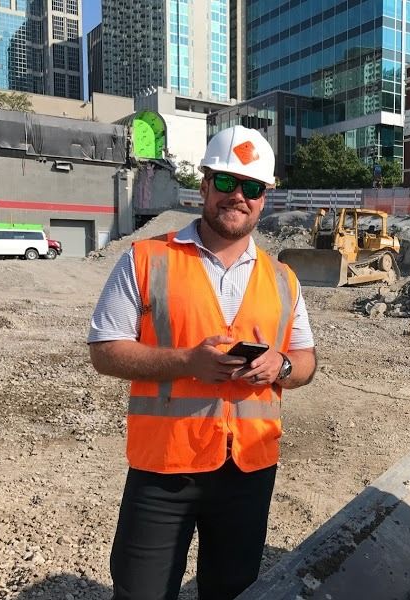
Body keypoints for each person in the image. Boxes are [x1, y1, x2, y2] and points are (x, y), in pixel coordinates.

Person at [88, 125, 317, 600]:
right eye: (228, 182)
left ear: (265, 198)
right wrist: (186, 361)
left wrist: (283, 368)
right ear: (205, 184)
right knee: (141, 592)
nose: (239, 196)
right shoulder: (146, 259)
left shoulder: (283, 279)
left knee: (233, 590)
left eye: (252, 187)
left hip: (248, 469)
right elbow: (105, 351)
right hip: (166, 465)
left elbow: (306, 360)